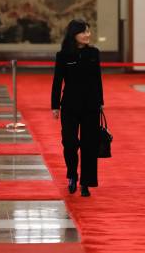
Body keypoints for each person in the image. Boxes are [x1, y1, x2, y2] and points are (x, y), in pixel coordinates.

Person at [51, 19, 104, 197]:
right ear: (74, 34)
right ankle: (72, 175)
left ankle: (86, 183)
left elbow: (98, 80)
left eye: (89, 31)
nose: (87, 35)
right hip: (70, 106)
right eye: (83, 32)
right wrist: (54, 106)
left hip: (91, 106)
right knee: (70, 143)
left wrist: (100, 102)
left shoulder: (94, 53)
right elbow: (57, 82)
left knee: (89, 145)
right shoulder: (63, 55)